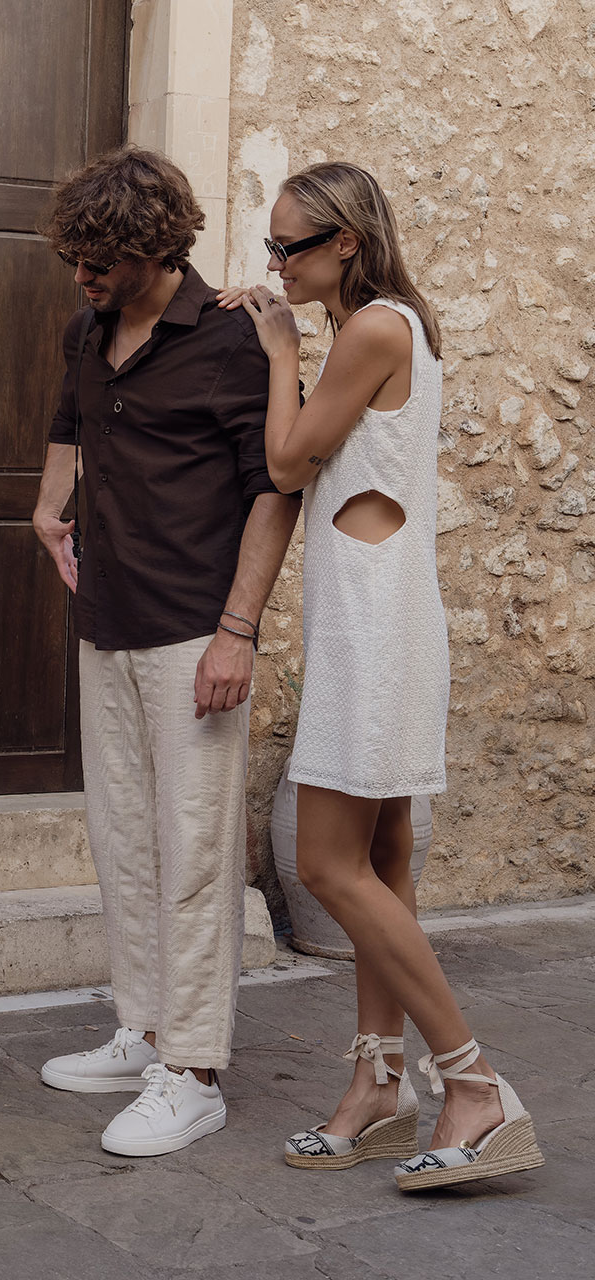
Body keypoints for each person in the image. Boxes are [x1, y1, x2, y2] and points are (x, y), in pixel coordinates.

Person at [219, 162, 545, 1190]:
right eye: (272, 248)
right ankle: (379, 1082)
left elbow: (286, 461)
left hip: (372, 621)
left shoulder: (368, 330)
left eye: (289, 248)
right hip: (384, 609)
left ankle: (476, 1083)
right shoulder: (398, 324)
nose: (275, 264)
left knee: (326, 864)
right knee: (385, 863)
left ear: (345, 242)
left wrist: (279, 349)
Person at [30, 146, 302, 1156]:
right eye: (76, 261)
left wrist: (239, 629)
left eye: (101, 262)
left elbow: (278, 487)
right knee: (126, 839)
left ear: (157, 246)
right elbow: (72, 419)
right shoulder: (88, 326)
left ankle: (193, 1069)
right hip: (108, 614)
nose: (84, 278)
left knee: (193, 855)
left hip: (197, 627)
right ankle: (142, 1026)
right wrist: (48, 508)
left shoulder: (233, 341)